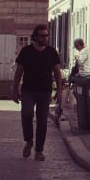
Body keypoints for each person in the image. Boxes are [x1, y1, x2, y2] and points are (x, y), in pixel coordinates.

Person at [13, 24, 63, 161]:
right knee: (26, 114)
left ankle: (39, 150)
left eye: (47, 35)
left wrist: (59, 91)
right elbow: (18, 72)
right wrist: (14, 90)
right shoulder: (26, 51)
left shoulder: (52, 52)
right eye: (42, 35)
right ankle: (29, 141)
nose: (45, 38)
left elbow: (57, 73)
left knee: (42, 121)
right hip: (28, 90)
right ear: (35, 37)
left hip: (45, 91)